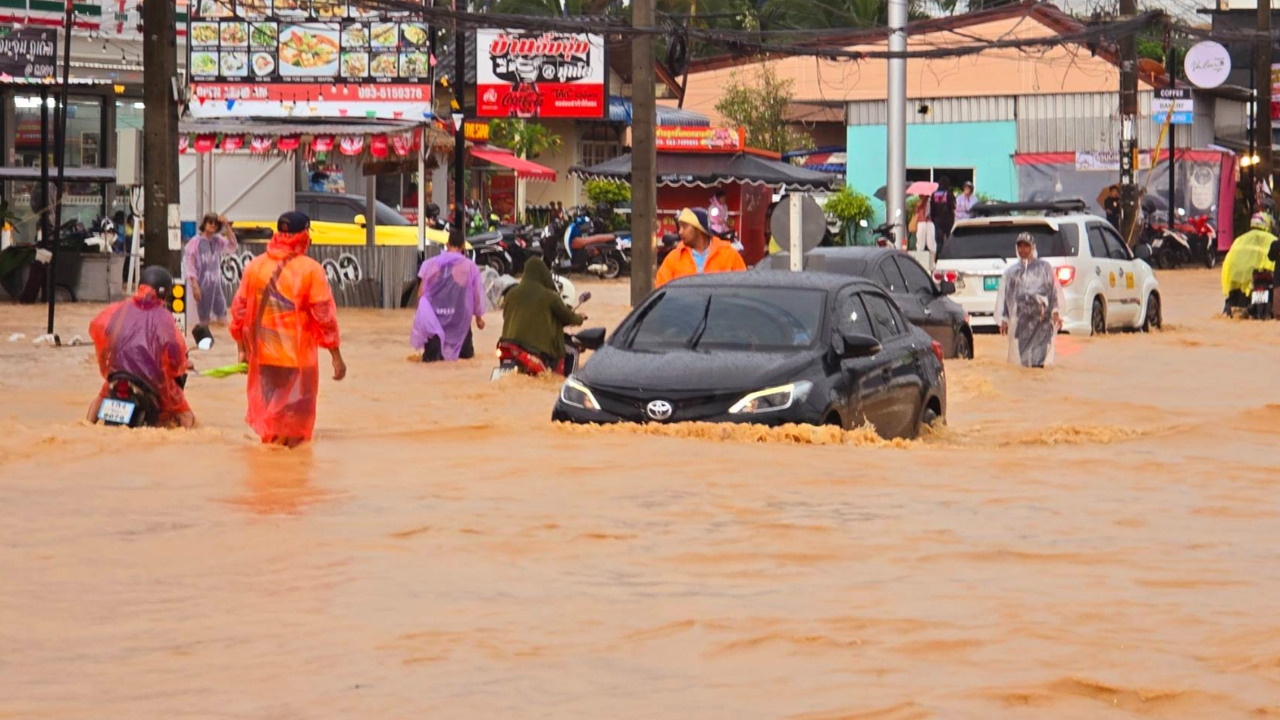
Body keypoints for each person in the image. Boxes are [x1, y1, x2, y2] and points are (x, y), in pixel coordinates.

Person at [230, 212, 346, 448]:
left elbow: (239, 311)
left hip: (263, 357)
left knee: (271, 425)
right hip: (295, 359)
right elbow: (324, 317)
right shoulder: (310, 270)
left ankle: (267, 477)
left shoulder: (256, 266)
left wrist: (242, 350)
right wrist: (336, 357)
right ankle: (289, 478)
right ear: (304, 235)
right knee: (294, 430)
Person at [86, 266, 195, 429]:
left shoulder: (120, 309)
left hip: (117, 375)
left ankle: (85, 426)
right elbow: (175, 352)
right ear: (164, 293)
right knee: (185, 414)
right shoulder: (164, 317)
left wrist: (108, 370)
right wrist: (184, 365)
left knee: (102, 396)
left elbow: (102, 333)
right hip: (151, 381)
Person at [498, 257, 585, 374]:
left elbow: (506, 316)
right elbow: (567, 317)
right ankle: (571, 384)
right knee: (573, 350)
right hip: (534, 347)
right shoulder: (549, 296)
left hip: (506, 343)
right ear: (543, 274)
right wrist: (580, 318)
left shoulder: (511, 293)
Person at [412, 229, 486, 362]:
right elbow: (476, 295)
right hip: (460, 323)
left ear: (447, 244)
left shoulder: (430, 264)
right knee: (465, 361)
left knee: (431, 362)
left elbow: (421, 293)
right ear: (463, 246)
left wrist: (420, 317)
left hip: (435, 321)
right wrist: (479, 318)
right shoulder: (470, 267)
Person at [997, 232, 1065, 368]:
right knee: (1024, 364)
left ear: (1033, 247)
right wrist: (1004, 319)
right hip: (1022, 321)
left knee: (1038, 362)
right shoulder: (1012, 272)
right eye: (1020, 246)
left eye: (1026, 246)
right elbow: (1008, 298)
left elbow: (1053, 293)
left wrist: (1056, 314)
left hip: (1041, 320)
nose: (1023, 249)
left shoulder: (1044, 268)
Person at [655, 207, 746, 288]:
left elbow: (744, 288)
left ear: (699, 229)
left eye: (685, 227)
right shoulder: (674, 258)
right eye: (680, 227)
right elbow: (661, 291)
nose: (680, 232)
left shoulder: (729, 255)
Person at [182, 212, 238, 327]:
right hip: (201, 286)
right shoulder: (195, 242)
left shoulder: (217, 240)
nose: (213, 225)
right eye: (210, 222)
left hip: (215, 287)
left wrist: (227, 226)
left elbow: (232, 246)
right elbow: (190, 265)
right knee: (203, 320)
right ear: (205, 223)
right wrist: (194, 285)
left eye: (215, 223)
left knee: (222, 317)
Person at [1221, 212, 1277, 316]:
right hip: (1265, 279)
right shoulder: (1272, 239)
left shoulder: (1240, 239)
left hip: (1239, 281)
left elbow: (1228, 262)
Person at [930, 177, 956, 253]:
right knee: (949, 238)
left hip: (937, 220)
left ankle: (938, 257)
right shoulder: (949, 194)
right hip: (948, 219)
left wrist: (933, 218)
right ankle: (949, 255)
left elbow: (932, 208)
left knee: (939, 241)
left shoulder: (934, 194)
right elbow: (953, 207)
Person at [913, 194, 935, 258]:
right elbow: (916, 208)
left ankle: (933, 259)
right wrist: (923, 200)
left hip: (929, 221)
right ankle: (919, 258)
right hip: (921, 221)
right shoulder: (918, 201)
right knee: (920, 241)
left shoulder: (930, 201)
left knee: (931, 241)